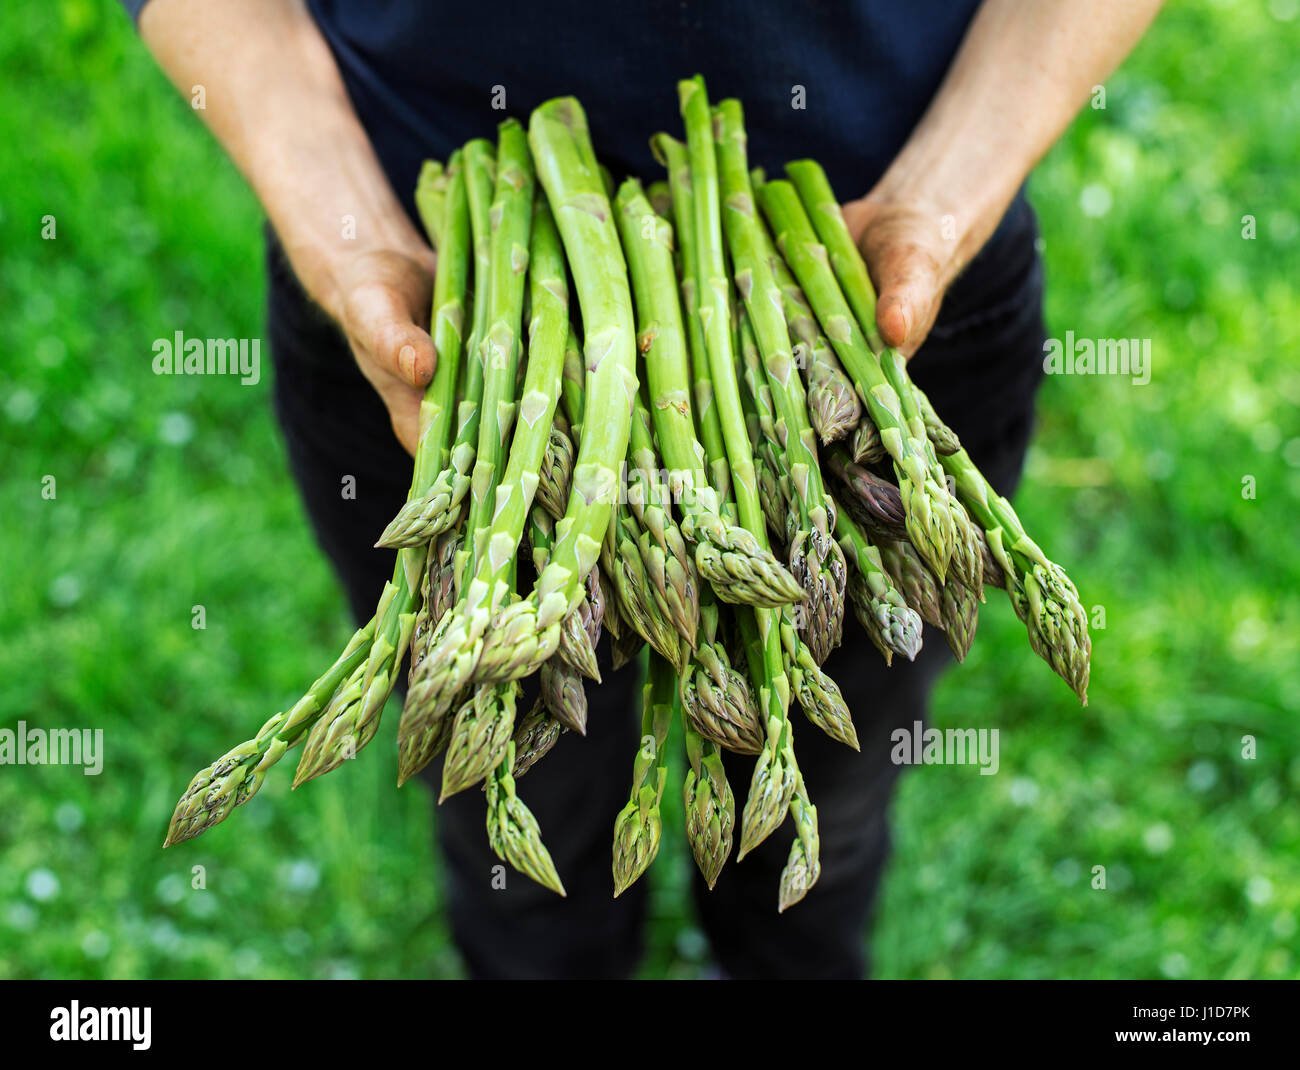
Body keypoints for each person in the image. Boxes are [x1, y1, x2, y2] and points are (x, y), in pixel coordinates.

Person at [119, 0, 1162, 978]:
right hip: (440, 301)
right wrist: (334, 213)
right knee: (516, 817)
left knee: (821, 802)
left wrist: (945, 194)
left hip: (866, 290)